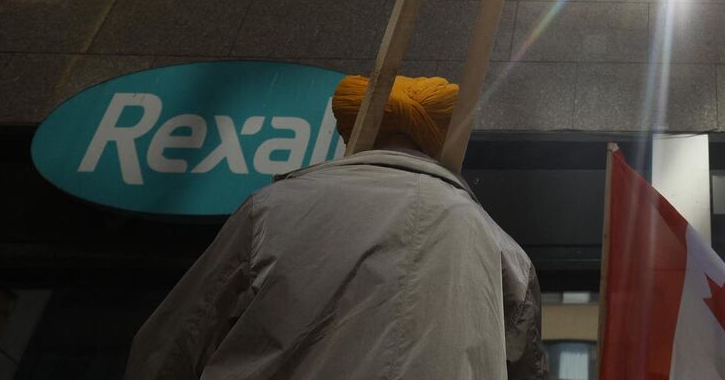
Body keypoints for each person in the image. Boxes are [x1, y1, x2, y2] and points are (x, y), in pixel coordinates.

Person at [125, 74, 546, 380]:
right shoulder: (503, 251)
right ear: (437, 140)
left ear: (353, 132)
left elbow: (170, 345)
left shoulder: (273, 209)